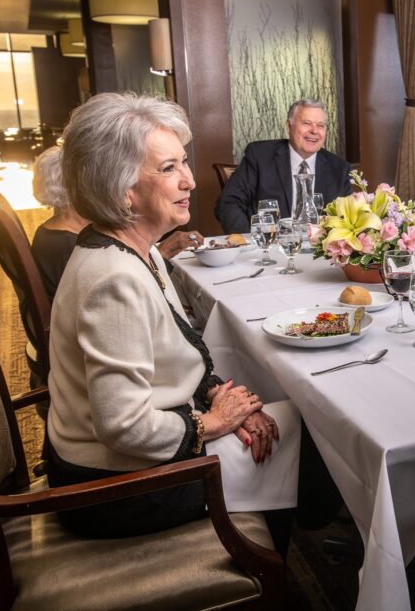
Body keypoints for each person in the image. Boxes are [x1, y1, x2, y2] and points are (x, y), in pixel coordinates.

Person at [47, 93, 301, 547]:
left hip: (121, 458)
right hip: (112, 489)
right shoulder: (113, 279)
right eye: (168, 169)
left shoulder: (136, 247)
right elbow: (123, 426)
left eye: (184, 163)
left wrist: (219, 397)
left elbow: (176, 355)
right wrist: (214, 423)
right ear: (121, 189)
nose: (189, 181)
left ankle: (276, 540)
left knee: (272, 413)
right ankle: (266, 565)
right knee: (301, 424)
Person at [32, 146, 203, 301]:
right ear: (77, 186)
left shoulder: (58, 230)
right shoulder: (64, 245)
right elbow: (124, 291)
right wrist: (163, 252)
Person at [215, 99, 352, 233]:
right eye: (306, 123)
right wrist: (251, 240)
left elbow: (347, 219)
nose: (314, 131)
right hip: (270, 247)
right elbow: (228, 203)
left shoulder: (339, 168)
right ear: (288, 126)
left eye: (320, 125)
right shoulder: (260, 156)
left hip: (318, 251)